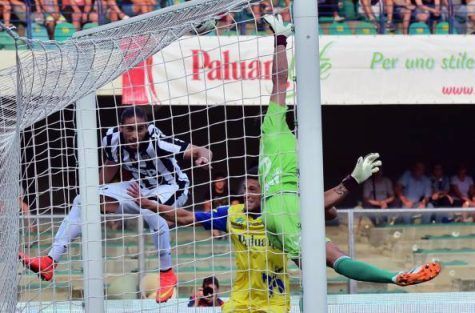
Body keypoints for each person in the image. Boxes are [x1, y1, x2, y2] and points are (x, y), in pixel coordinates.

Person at [259, 13, 440, 286]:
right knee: (333, 256)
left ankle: (316, 299)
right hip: (281, 209)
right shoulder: (289, 150)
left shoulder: (272, 129)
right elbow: (319, 208)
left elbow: (278, 82)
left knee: (313, 261)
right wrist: (352, 181)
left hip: (273, 213)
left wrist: (281, 41)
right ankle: (393, 276)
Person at [19, 106, 212, 304]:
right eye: (130, 129)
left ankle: (167, 273)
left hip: (170, 187)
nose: (136, 135)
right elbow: (110, 167)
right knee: (83, 199)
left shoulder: (159, 142)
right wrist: (96, 195)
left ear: (147, 127)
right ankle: (50, 261)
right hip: (138, 188)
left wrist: (204, 158)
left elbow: (200, 150)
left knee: (150, 209)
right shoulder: (111, 139)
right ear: (121, 128)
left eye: (141, 129)